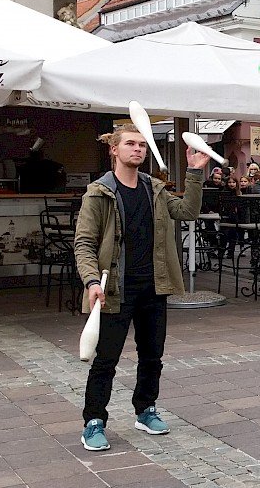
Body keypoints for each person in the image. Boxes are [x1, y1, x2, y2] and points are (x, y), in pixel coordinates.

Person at [74, 125, 208, 451]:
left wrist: (194, 172)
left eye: (142, 145)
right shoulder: (98, 193)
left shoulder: (155, 189)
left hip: (153, 286)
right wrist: (91, 281)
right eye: (130, 144)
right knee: (106, 360)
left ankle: (145, 409)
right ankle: (94, 422)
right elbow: (84, 243)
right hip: (114, 289)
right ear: (114, 150)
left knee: (152, 356)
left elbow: (188, 211)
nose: (138, 149)